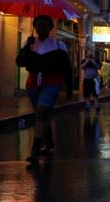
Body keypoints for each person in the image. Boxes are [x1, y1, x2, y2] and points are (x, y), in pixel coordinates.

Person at [16, 15, 73, 169]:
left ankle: (35, 151)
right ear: (35, 27)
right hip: (33, 82)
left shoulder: (59, 45)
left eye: (44, 25)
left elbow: (67, 68)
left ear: (50, 27)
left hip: (51, 82)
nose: (41, 28)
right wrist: (28, 48)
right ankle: (49, 142)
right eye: (38, 25)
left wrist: (69, 87)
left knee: (41, 111)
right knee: (41, 114)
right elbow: (20, 62)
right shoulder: (29, 43)